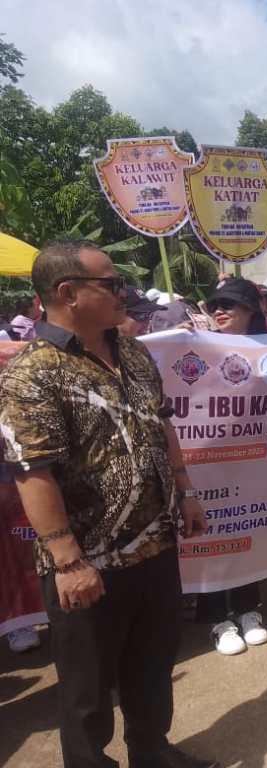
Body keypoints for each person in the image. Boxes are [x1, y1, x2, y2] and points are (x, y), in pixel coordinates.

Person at [0, 239, 218, 768]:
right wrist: (69, 561)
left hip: (155, 546)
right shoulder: (32, 373)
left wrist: (185, 489)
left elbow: (161, 422)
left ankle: (151, 751)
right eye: (111, 283)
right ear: (68, 293)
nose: (124, 291)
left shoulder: (133, 351)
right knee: (87, 690)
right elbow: (34, 473)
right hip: (87, 564)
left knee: (152, 665)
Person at [198, 278, 267, 654]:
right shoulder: (194, 348)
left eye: (230, 305)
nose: (219, 311)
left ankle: (247, 608)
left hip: (253, 463)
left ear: (251, 313)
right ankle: (216, 618)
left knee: (248, 531)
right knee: (212, 537)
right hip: (208, 465)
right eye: (214, 306)